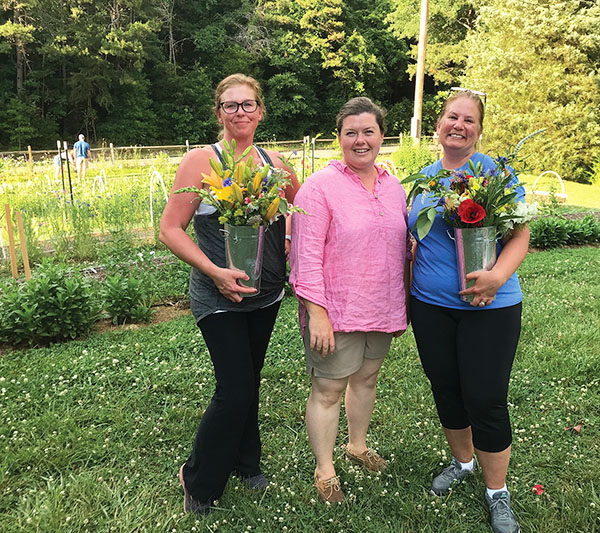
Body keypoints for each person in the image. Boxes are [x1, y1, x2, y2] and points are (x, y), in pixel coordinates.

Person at [159, 73, 300, 515]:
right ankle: (197, 478)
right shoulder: (201, 161)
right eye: (230, 105)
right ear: (218, 113)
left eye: (248, 104)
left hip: (266, 295)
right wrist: (213, 270)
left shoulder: (276, 165)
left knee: (248, 379)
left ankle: (246, 461)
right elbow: (169, 229)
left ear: (260, 111)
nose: (240, 112)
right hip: (216, 296)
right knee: (235, 387)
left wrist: (292, 239)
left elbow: (301, 211)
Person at [408, 90, 529, 533]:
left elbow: (519, 234)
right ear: (438, 124)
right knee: (446, 387)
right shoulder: (423, 178)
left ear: (479, 129)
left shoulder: (495, 173)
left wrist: (496, 276)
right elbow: (412, 243)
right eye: (451, 117)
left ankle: (498, 493)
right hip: (430, 306)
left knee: (486, 397)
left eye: (469, 120)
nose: (458, 125)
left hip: (490, 306)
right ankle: (463, 463)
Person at [289, 97, 412, 503]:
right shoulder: (319, 187)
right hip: (335, 311)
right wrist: (316, 314)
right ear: (339, 138)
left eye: (368, 131)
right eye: (351, 133)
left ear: (381, 136)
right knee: (328, 390)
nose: (361, 140)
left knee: (366, 379)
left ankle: (356, 446)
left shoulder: (393, 187)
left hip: (381, 305)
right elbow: (304, 255)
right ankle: (324, 469)